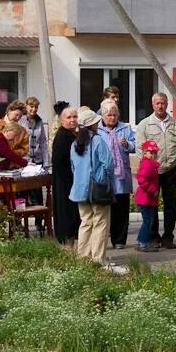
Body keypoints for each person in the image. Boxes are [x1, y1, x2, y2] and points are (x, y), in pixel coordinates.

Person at [136, 93, 176, 249]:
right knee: (152, 205)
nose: (160, 106)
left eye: (163, 103)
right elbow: (140, 148)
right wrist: (149, 165)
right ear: (153, 105)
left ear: (167, 105)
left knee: (171, 204)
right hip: (153, 172)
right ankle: (153, 237)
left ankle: (168, 237)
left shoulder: (175, 124)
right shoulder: (145, 124)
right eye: (157, 103)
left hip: (170, 169)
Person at [69, 109, 116, 269]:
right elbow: (108, 164)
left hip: (79, 190)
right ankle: (98, 259)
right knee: (101, 223)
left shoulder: (75, 144)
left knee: (86, 223)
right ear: (92, 124)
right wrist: (104, 179)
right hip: (97, 189)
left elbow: (73, 167)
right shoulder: (97, 140)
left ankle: (83, 257)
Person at [97, 101, 135, 249]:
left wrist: (127, 144)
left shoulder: (125, 128)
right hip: (105, 176)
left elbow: (134, 146)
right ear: (103, 115)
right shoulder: (97, 130)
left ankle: (119, 240)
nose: (112, 118)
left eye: (114, 115)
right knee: (106, 210)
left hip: (121, 175)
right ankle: (104, 239)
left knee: (121, 208)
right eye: (109, 115)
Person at [52, 106, 80, 249]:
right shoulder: (63, 137)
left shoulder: (72, 135)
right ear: (62, 120)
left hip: (71, 182)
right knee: (67, 217)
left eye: (74, 117)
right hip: (65, 184)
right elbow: (60, 163)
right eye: (69, 118)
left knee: (73, 217)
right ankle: (67, 248)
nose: (72, 120)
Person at [134, 139, 161, 253]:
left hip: (148, 198)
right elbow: (141, 178)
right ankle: (143, 243)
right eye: (151, 152)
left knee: (148, 220)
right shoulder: (147, 164)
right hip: (145, 198)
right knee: (147, 221)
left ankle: (141, 241)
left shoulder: (150, 164)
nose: (153, 155)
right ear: (145, 153)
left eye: (155, 152)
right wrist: (152, 189)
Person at [19, 97, 48, 168]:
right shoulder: (20, 120)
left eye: (36, 107)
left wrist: (46, 162)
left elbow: (43, 142)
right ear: (26, 106)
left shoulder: (39, 121)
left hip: (38, 159)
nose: (34, 109)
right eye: (31, 106)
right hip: (25, 159)